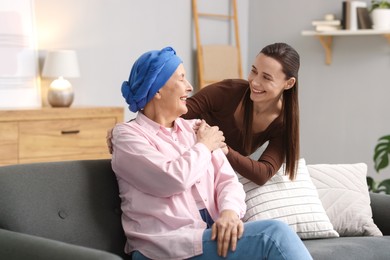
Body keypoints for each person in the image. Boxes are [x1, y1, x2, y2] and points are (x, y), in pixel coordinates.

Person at [111, 46, 312, 259]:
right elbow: (172, 178)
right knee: (273, 235)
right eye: (182, 79)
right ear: (157, 90)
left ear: (288, 84)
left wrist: (229, 213)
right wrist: (205, 146)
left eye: (266, 77)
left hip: (210, 233)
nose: (189, 87)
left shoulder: (197, 129)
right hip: (166, 245)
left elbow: (228, 181)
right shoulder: (129, 136)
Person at [108, 42, 300, 186]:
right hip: (188, 162)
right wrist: (131, 128)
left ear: (288, 83)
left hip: (218, 173)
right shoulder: (229, 91)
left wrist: (220, 147)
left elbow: (263, 173)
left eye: (266, 77)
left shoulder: (284, 123)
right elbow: (171, 109)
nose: (255, 82)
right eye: (254, 71)